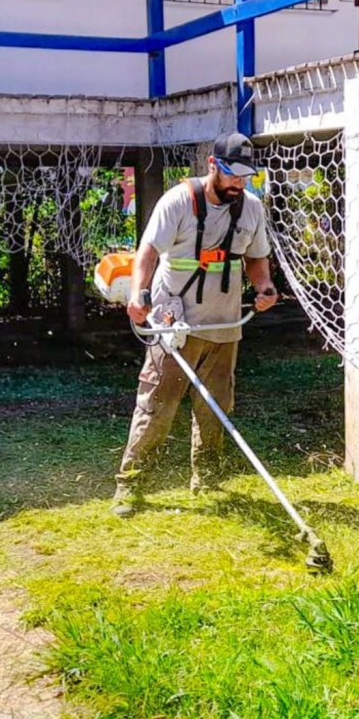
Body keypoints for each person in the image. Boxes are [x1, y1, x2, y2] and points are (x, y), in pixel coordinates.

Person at [112, 132, 278, 517]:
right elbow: (148, 250)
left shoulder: (251, 208)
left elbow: (256, 259)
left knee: (216, 407)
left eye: (245, 176)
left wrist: (265, 287)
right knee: (157, 407)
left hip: (224, 324)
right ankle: (131, 483)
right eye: (232, 174)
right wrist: (138, 294)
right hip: (176, 326)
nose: (239, 182)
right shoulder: (179, 202)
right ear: (212, 166)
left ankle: (207, 478)